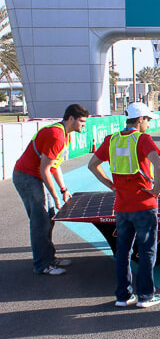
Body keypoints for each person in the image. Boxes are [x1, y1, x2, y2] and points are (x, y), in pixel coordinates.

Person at [88, 102, 160, 308]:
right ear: (140, 120)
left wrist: (110, 185)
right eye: (147, 120)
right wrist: (156, 189)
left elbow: (92, 165)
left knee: (123, 252)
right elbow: (158, 164)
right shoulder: (143, 139)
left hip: (122, 206)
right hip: (144, 204)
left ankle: (123, 296)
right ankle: (146, 296)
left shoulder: (112, 139)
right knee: (147, 251)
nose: (148, 124)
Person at [13, 104, 89, 275]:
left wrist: (63, 189)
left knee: (49, 217)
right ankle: (42, 265)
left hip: (36, 175)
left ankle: (49, 258)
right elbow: (44, 169)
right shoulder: (56, 135)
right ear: (71, 119)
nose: (84, 125)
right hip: (26, 176)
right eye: (82, 121)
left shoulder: (65, 135)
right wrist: (55, 196)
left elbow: (54, 166)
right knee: (40, 220)